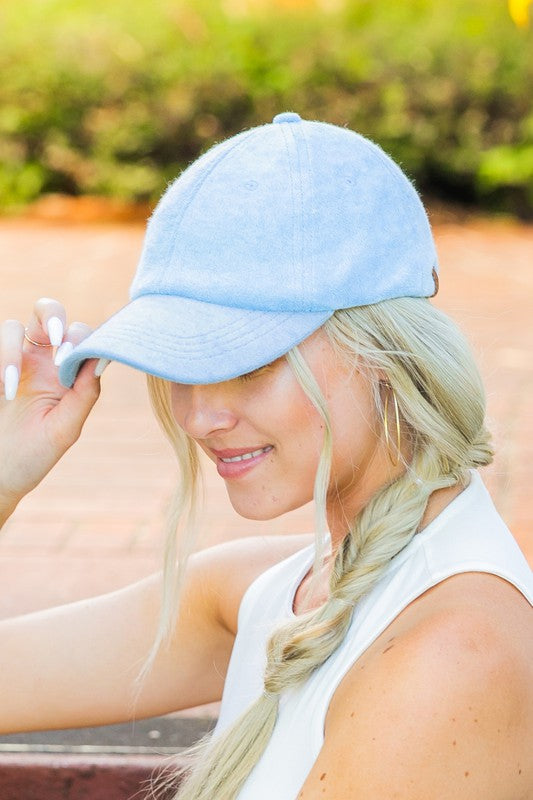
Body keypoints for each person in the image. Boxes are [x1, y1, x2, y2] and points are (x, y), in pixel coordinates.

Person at [0, 112, 532, 800]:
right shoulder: (274, 591)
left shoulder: (451, 657)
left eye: (248, 363)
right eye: (182, 365)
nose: (200, 417)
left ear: (383, 351)